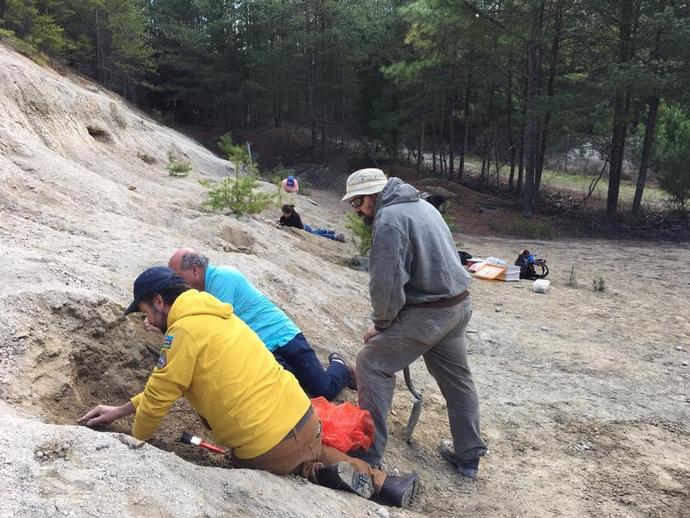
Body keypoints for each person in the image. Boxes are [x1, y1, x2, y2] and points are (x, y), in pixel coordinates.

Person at [78, 267, 419, 507]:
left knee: (274, 459)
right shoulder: (219, 315)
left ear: (158, 301)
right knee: (306, 446)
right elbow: (165, 385)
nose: (147, 322)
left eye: (145, 313)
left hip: (267, 445)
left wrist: (138, 443)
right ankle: (383, 482)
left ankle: (315, 474)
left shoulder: (182, 334)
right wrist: (122, 408)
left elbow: (158, 398)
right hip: (304, 418)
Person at [341, 168, 488, 479]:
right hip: (457, 306)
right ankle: (468, 456)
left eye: (357, 204)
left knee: (371, 362)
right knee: (457, 380)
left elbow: (387, 283)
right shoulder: (422, 205)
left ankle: (367, 456)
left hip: (431, 313)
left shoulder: (389, 220)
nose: (357, 211)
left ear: (370, 197)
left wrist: (381, 325)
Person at [168, 248, 354, 400]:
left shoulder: (220, 278)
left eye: (178, 276)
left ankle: (339, 364)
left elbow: (216, 324)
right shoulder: (204, 290)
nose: (177, 283)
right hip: (265, 347)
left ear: (194, 270)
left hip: (284, 336)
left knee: (324, 390)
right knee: (294, 390)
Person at [279, 204, 345, 242]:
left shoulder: (294, 216)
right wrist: (281, 220)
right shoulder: (289, 215)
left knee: (318, 236)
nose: (284, 214)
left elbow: (289, 224)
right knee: (316, 231)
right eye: (283, 213)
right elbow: (282, 219)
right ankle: (329, 231)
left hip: (304, 229)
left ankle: (336, 237)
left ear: (289, 212)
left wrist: (281, 223)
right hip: (305, 227)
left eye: (285, 213)